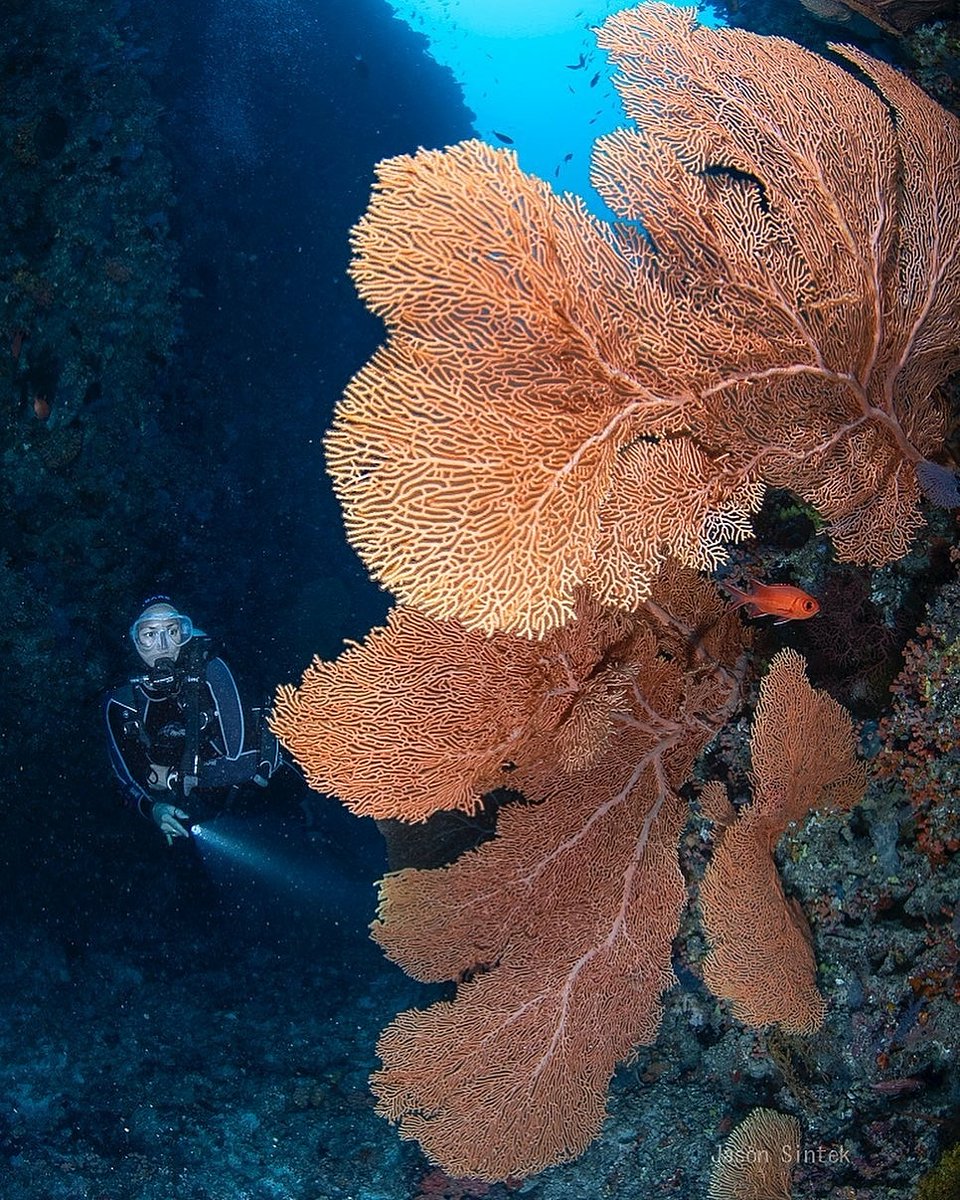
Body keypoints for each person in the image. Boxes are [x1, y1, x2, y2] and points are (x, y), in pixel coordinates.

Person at [104, 597, 283, 844]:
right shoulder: (123, 702)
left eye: (173, 631)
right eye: (149, 635)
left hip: (268, 794)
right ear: (134, 640)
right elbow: (126, 777)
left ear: (185, 634)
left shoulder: (211, 671)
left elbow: (245, 760)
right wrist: (153, 809)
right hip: (205, 817)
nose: (164, 645)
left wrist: (171, 777)